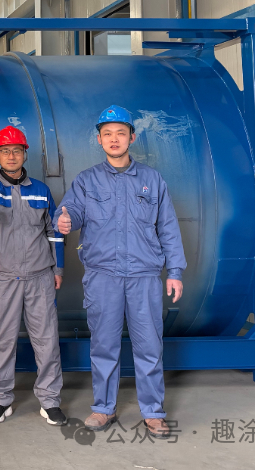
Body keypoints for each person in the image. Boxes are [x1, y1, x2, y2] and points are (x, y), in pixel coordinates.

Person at [54, 105, 186, 439]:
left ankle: (153, 412)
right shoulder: (86, 181)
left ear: (132, 138)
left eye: (121, 133)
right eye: (108, 134)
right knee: (104, 345)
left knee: (149, 345)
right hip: (103, 276)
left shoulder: (152, 180)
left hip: (143, 276)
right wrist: (65, 220)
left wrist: (175, 271)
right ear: (99, 140)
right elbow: (70, 212)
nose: (114, 139)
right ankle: (103, 408)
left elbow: (168, 228)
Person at [0, 126, 67, 426]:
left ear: (25, 154)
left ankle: (50, 401)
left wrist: (58, 268)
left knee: (47, 340)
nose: (11, 156)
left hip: (40, 278)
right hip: (3, 279)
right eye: (5, 151)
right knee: (1, 340)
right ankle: (1, 400)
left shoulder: (41, 190)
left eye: (16, 150)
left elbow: (54, 231)